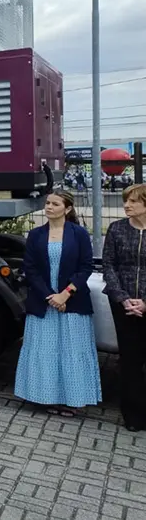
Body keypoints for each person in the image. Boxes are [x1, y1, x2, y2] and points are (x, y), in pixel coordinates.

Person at [15, 190, 99, 416]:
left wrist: (66, 294)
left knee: (71, 350)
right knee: (45, 350)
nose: (49, 207)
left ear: (68, 208)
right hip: (45, 302)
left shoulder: (79, 234)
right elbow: (30, 269)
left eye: (55, 204)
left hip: (72, 300)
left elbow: (86, 266)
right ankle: (44, 397)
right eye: (47, 203)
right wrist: (50, 296)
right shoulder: (35, 235)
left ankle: (72, 398)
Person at [102, 183, 146, 431]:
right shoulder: (116, 229)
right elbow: (109, 265)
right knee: (130, 360)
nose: (126, 205)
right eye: (126, 200)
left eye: (133, 201)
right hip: (123, 304)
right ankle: (133, 415)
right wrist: (122, 297)